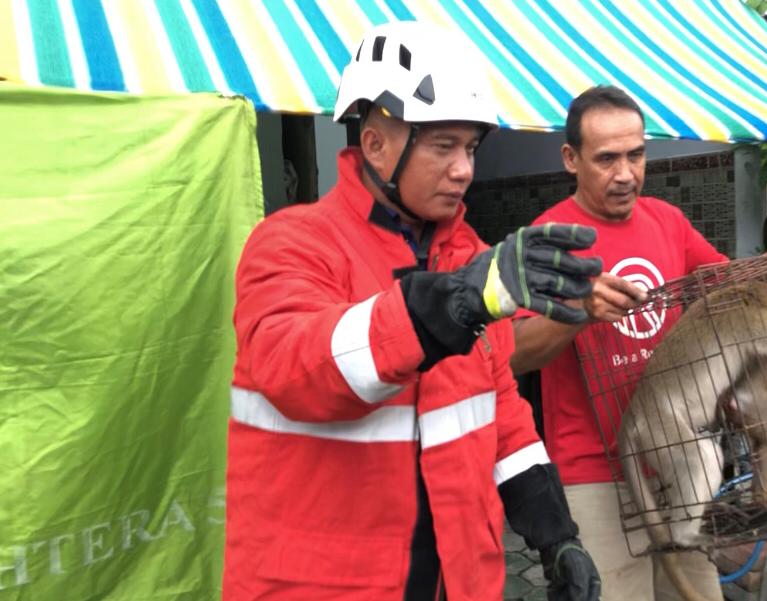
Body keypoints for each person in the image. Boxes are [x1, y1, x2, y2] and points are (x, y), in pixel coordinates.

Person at [223, 22, 601, 601]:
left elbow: (497, 411)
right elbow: (296, 368)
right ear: (375, 144)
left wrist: (556, 535)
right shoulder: (291, 243)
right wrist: (452, 303)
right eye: (443, 145)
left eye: (470, 148)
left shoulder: (470, 256)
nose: (465, 169)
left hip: (459, 582)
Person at [510, 85, 767, 601]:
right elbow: (514, 351)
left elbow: (728, 283)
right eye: (607, 159)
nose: (625, 173)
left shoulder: (666, 220)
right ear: (570, 158)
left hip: (679, 454)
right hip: (596, 471)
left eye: (636, 155)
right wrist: (577, 311)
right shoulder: (548, 237)